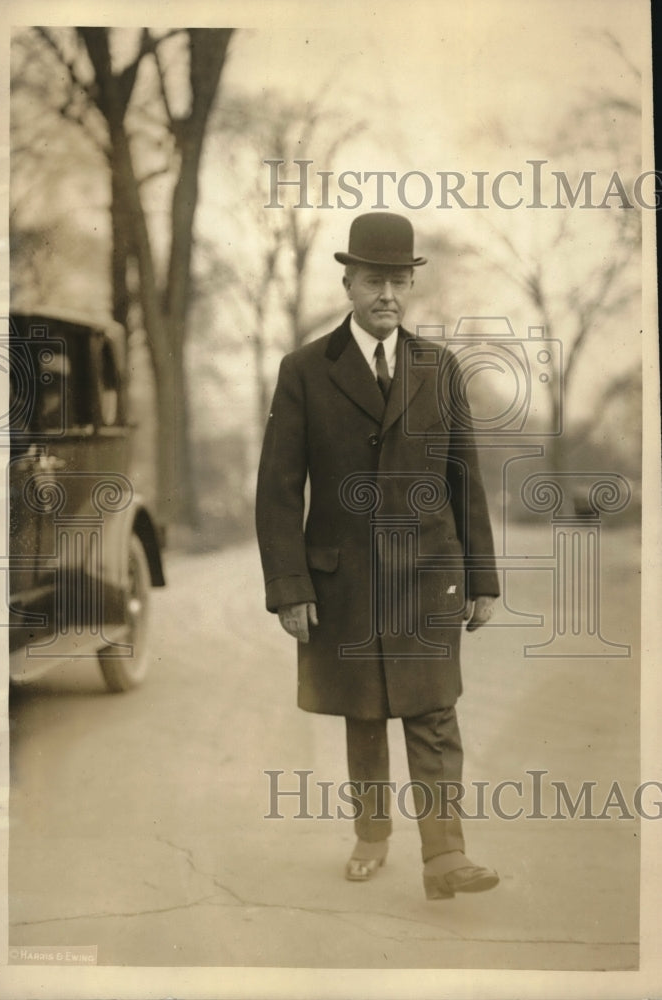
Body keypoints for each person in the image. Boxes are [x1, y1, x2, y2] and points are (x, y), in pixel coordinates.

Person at [256, 212, 500, 899]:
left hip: (428, 577)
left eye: (398, 281)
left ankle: (445, 855)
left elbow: (464, 479)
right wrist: (289, 586)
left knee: (433, 712)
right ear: (348, 284)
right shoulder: (305, 370)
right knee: (363, 713)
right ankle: (371, 834)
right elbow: (278, 489)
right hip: (346, 582)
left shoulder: (439, 368)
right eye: (372, 281)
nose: (386, 294)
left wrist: (481, 578)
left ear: (410, 285)